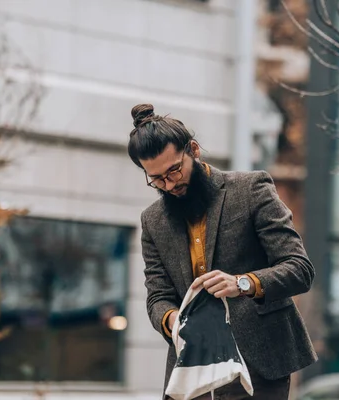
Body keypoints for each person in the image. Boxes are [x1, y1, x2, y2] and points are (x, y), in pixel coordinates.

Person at [128, 103, 317, 400]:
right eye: (157, 179)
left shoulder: (251, 189)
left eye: (174, 170)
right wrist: (175, 321)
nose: (169, 184)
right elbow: (158, 296)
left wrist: (241, 283)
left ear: (193, 149)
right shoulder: (152, 221)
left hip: (258, 362)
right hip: (191, 370)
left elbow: (299, 269)